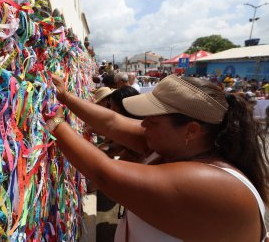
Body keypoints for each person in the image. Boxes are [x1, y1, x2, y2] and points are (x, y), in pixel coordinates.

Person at [46, 74, 269, 241]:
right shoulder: (175, 144)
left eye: (152, 121)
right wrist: (64, 96)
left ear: (191, 130)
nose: (142, 124)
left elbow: (104, 175)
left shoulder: (211, 182)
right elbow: (111, 123)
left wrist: (55, 123)